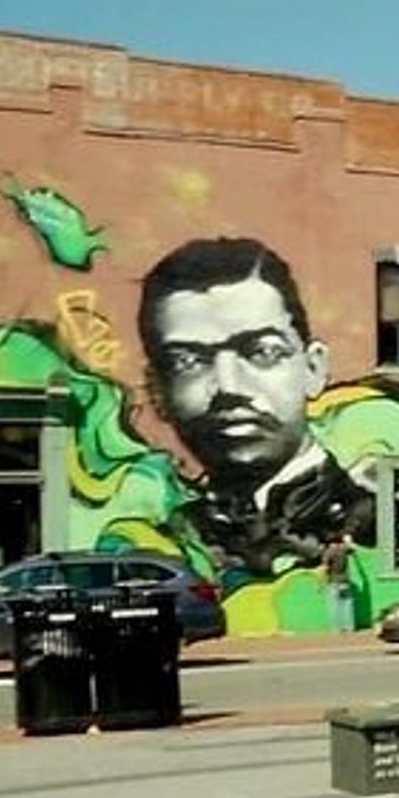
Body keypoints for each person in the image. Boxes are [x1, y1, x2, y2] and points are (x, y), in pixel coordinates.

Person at [139, 238, 376, 575]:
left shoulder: (371, 515)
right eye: (187, 361)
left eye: (262, 352)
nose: (229, 387)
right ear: (156, 390)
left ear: (313, 369)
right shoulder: (172, 535)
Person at [321, 531, 355, 632]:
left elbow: (325, 568)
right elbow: (352, 549)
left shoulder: (329, 552)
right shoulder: (343, 550)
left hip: (334, 581)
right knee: (347, 605)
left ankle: (336, 628)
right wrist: (348, 540)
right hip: (346, 581)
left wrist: (324, 580)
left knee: (335, 605)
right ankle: (350, 627)